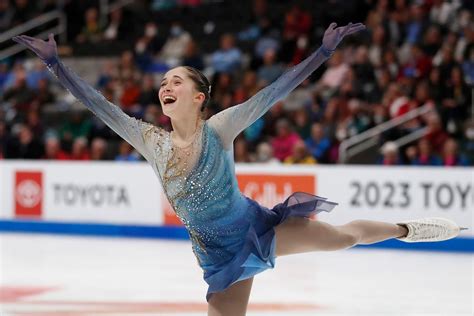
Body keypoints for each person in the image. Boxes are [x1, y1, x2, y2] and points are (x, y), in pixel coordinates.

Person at [13, 22, 464, 316]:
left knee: (341, 238)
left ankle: (408, 228)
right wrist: (56, 66)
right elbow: (101, 107)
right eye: (163, 82)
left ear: (197, 97)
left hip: (255, 231)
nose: (165, 86)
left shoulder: (220, 128)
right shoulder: (151, 141)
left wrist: (322, 55)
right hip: (215, 256)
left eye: (176, 81)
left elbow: (273, 93)